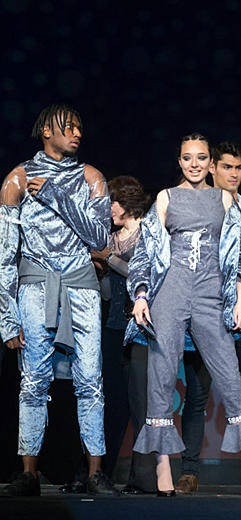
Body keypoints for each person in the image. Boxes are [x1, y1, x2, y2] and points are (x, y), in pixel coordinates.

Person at [126, 133, 241, 498]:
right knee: (161, 375)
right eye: (187, 158)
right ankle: (163, 467)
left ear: (210, 163)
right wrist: (141, 294)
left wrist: (240, 294)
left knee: (229, 374)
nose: (194, 164)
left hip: (210, 293)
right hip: (170, 293)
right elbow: (146, 250)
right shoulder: (166, 197)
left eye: (201, 157)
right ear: (179, 161)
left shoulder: (224, 199)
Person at [0, 104, 118, 496]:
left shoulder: (91, 178)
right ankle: (28, 473)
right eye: (68, 126)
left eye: (80, 127)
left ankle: (96, 472)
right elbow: (5, 254)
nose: (77, 133)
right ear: (46, 131)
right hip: (35, 287)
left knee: (90, 379)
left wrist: (56, 196)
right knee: (33, 380)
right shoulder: (18, 179)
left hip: (81, 287)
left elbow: (99, 239)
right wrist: (6, 316)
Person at [175, 142, 241, 495]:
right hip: (201, 314)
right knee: (197, 395)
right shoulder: (192, 206)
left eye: (239, 168)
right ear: (212, 168)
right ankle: (189, 471)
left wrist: (240, 276)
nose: (234, 174)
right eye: (227, 167)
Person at [92, 175, 157, 493]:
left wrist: (109, 258)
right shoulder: (112, 238)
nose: (109, 211)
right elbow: (109, 292)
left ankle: (143, 476)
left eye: (112, 204)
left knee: (140, 402)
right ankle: (97, 472)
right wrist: (100, 271)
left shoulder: (149, 232)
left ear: (126, 203)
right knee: (109, 400)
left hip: (141, 328)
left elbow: (142, 275)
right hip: (113, 326)